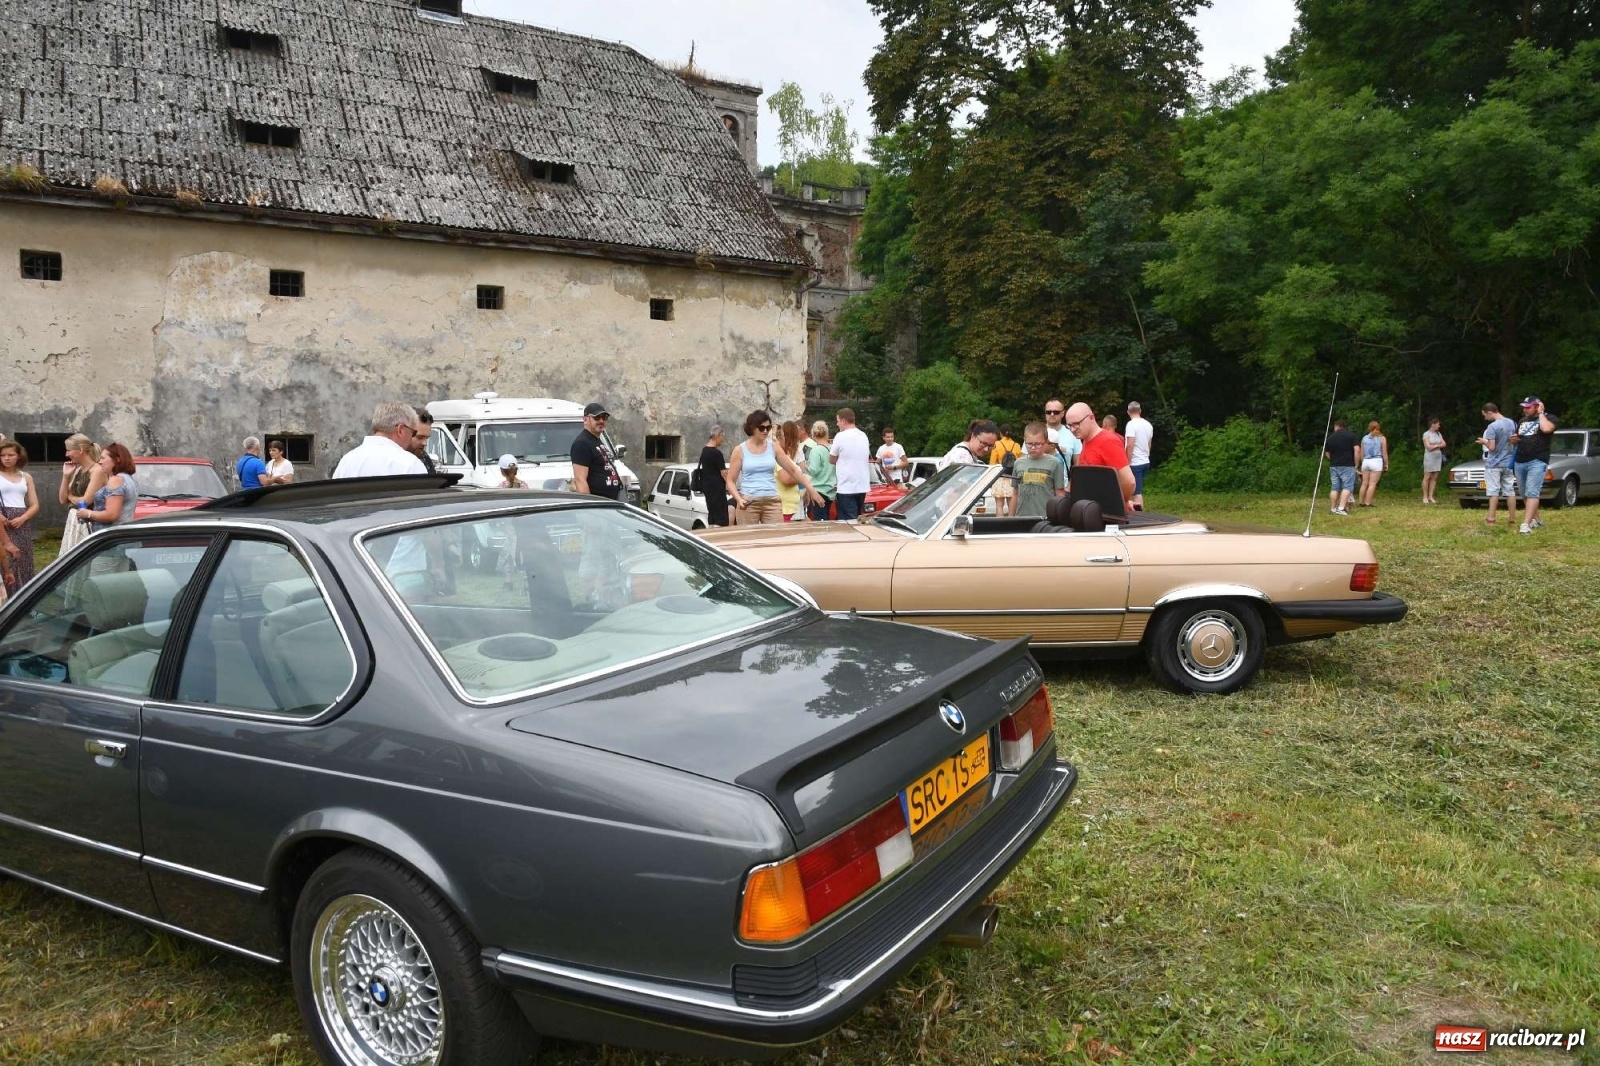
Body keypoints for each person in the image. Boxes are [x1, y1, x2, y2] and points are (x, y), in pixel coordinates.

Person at [727, 410, 821, 524]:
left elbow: (792, 469)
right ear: (752, 428)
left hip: (772, 500)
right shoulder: (739, 450)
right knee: (750, 539)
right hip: (748, 501)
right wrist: (738, 499)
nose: (766, 431)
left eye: (769, 427)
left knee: (776, 537)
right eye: (762, 428)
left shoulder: (773, 447)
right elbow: (730, 481)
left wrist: (811, 489)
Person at [1065, 402, 1135, 507]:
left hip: (1107, 513)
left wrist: (1120, 502)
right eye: (1069, 425)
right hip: (1090, 510)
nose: (1072, 429)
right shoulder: (1086, 440)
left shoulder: (1108, 441)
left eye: (1076, 424)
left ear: (1091, 418)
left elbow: (1129, 482)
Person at [333, 401, 429, 478]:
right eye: (413, 433)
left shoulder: (347, 461)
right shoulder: (410, 464)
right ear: (400, 430)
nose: (411, 438)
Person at [1513, 397, 1558, 534]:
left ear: (1537, 406)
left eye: (1528, 407)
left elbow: (1546, 429)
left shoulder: (1549, 418)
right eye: (1524, 407)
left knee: (1532, 492)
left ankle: (1525, 524)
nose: (1524, 409)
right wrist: (1514, 440)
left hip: (1537, 460)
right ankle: (1536, 520)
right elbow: (1520, 438)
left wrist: (1541, 414)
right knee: (1524, 493)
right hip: (1520, 460)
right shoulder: (1522, 421)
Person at [0, 441, 39, 586]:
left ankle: (25, 596)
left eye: (11, 455)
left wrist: (23, 518)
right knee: (6, 558)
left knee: (24, 559)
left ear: (18, 456)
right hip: (3, 519)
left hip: (22, 520)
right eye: (3, 455)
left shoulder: (26, 476)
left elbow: (34, 504)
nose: (6, 458)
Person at [75, 442, 139, 531]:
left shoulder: (115, 480)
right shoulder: (129, 479)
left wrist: (88, 513)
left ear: (117, 459)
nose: (99, 462)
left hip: (112, 537)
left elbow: (112, 515)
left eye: (103, 458)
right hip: (123, 534)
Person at [57, 434, 103, 555]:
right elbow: (62, 499)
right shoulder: (78, 470)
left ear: (80, 450)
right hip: (73, 519)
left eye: (69, 450)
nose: (67, 454)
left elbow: (86, 501)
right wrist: (66, 476)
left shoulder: (97, 470)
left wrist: (70, 496)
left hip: (88, 520)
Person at [570, 401, 623, 499]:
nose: (601, 421)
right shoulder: (582, 443)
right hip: (599, 505)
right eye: (596, 417)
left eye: (604, 417)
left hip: (612, 502)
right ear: (585, 420)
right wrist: (590, 508)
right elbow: (580, 480)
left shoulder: (597, 441)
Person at [1012, 423, 1066, 518]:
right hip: (1021, 517)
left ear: (1046, 442)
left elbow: (1060, 494)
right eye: (1029, 444)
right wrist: (1010, 518)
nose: (1033, 448)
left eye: (1037, 444)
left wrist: (1060, 519)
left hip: (1046, 518)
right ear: (1025, 441)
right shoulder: (1018, 463)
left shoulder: (1055, 463)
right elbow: (1015, 493)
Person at [1477, 403, 1517, 526]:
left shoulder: (1492, 427)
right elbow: (1514, 441)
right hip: (1509, 462)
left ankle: (1491, 519)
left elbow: (1492, 447)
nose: (1485, 418)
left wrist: (1484, 442)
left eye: (1485, 415)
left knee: (1493, 491)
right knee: (1510, 491)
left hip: (1494, 464)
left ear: (1489, 412)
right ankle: (1511, 519)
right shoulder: (1512, 423)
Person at [829, 407, 872, 521]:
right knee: (857, 517)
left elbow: (832, 459)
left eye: (838, 420)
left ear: (843, 421)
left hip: (846, 486)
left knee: (848, 522)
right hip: (862, 485)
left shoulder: (840, 436)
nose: (837, 424)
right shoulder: (863, 436)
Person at [697, 426, 731, 527]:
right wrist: (730, 486)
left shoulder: (704, 450)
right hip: (717, 488)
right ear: (717, 435)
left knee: (712, 514)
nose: (723, 439)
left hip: (707, 487)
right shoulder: (717, 453)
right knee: (721, 516)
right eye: (722, 436)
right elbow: (724, 473)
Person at [775, 421, 808, 522]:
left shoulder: (780, 452)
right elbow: (803, 470)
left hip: (790, 499)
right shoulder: (796, 451)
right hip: (790, 499)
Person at [1324, 418, 1359, 515]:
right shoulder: (1352, 436)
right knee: (1347, 486)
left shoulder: (1330, 438)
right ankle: (1341, 508)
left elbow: (1327, 453)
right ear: (1344, 427)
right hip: (1348, 465)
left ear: (1336, 426)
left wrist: (1333, 460)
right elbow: (1357, 450)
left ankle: (1333, 508)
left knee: (1335, 487)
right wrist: (1356, 463)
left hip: (1334, 465)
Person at [1124, 401, 1155, 511]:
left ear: (1128, 412)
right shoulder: (1148, 425)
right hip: (1145, 461)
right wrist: (1147, 456)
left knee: (1137, 493)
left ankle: (1140, 516)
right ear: (1140, 411)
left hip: (1135, 462)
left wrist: (1127, 462)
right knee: (1133, 490)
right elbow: (1149, 444)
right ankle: (1133, 513)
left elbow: (1130, 445)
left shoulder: (1131, 425)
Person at [806, 420, 837, 521]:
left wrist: (804, 466)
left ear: (813, 434)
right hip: (831, 489)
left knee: (819, 521)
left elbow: (813, 471)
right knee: (826, 518)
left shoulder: (816, 450)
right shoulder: (832, 448)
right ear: (826, 433)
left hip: (818, 490)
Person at [988, 424, 1022, 516]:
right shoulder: (1017, 445)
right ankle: (1011, 525)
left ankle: (999, 526)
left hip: (1000, 476)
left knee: (999, 506)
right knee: (1012, 505)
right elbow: (1020, 462)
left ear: (1000, 433)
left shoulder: (997, 444)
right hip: (1013, 477)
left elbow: (992, 463)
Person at [1042, 399, 1081, 477]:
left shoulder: (1073, 434)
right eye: (1048, 412)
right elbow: (1024, 461)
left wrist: (1072, 484)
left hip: (1063, 486)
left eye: (1056, 412)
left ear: (1063, 413)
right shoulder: (1035, 432)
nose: (1052, 414)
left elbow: (1079, 465)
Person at [1357, 421, 1388, 507]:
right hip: (1376, 461)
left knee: (1364, 483)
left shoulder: (1364, 438)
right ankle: (1368, 502)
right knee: (1372, 484)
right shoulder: (1382, 438)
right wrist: (1386, 463)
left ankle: (1361, 502)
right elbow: (1384, 452)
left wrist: (1362, 462)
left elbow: (1362, 453)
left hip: (1366, 461)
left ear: (1369, 428)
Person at [1421, 417, 1447, 504]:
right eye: (1438, 424)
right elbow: (1428, 447)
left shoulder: (1438, 434)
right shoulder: (1426, 434)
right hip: (1429, 457)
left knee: (1435, 477)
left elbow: (1444, 444)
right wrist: (1438, 445)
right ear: (1433, 424)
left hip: (1437, 457)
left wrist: (1435, 445)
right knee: (1427, 476)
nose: (1439, 426)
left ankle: (1430, 496)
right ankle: (1424, 496)